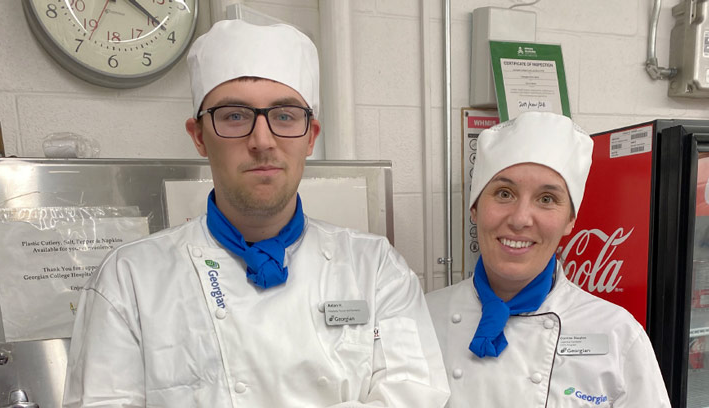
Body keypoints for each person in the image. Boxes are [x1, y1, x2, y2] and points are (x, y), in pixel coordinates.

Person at [63, 20, 449, 408]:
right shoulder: (129, 279)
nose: (262, 141)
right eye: (234, 116)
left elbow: (414, 394)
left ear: (310, 136)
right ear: (199, 136)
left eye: (284, 116)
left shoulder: (377, 269)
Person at [426, 112, 671, 407]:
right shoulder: (421, 319)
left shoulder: (618, 334)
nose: (520, 219)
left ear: (570, 220)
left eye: (546, 199)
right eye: (504, 193)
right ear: (475, 208)